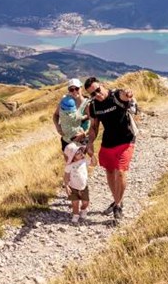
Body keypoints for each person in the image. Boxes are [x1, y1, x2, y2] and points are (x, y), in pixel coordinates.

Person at [84, 77, 137, 223]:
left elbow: (125, 94)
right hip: (108, 142)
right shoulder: (93, 106)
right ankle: (116, 199)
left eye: (98, 90)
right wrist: (90, 144)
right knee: (109, 172)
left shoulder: (116, 95)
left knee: (120, 172)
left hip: (126, 140)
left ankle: (118, 206)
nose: (97, 95)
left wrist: (128, 94)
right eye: (93, 94)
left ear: (102, 85)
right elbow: (94, 127)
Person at [53, 78, 90, 155]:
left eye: (77, 88)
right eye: (71, 89)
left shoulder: (87, 104)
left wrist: (84, 133)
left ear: (81, 88)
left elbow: (94, 123)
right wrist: (57, 127)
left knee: (81, 163)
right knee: (69, 164)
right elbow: (56, 115)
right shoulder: (64, 102)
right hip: (66, 140)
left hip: (82, 140)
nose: (74, 91)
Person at [63, 142, 90, 223]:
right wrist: (66, 186)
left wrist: (92, 155)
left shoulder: (84, 161)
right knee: (75, 203)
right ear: (72, 156)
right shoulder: (69, 166)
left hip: (83, 186)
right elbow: (66, 176)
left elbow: (94, 163)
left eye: (81, 151)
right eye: (78, 152)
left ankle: (83, 209)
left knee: (86, 202)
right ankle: (76, 214)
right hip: (73, 187)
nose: (81, 153)